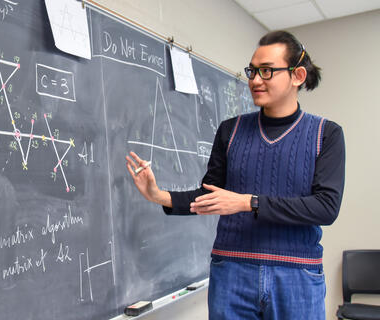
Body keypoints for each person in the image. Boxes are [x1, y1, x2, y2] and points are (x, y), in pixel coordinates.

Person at [126, 30, 345, 319]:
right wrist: (158, 195)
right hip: (232, 272)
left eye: (266, 71)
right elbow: (211, 196)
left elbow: (325, 208)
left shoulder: (325, 134)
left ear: (298, 75)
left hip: (296, 275)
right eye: (252, 71)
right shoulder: (231, 130)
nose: (255, 80)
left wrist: (249, 203)